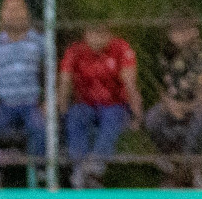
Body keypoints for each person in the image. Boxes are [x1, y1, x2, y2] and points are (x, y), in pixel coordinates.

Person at [144, 17, 202, 188]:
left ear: (194, 31)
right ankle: (172, 164)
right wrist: (171, 105)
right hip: (173, 105)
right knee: (152, 119)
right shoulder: (166, 55)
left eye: (183, 31)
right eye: (174, 32)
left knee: (200, 120)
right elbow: (160, 85)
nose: (178, 36)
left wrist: (189, 106)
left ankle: (188, 171)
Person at [0, 0, 45, 188]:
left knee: (42, 126)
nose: (13, 14)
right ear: (1, 15)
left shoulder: (41, 42)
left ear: (27, 14)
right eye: (8, 9)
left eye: (18, 9)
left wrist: (47, 103)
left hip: (32, 104)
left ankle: (42, 174)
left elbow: (52, 74)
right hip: (5, 106)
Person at [59, 22, 143, 189]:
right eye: (93, 33)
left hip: (114, 103)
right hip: (86, 103)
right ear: (85, 34)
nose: (98, 38)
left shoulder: (121, 49)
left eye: (103, 34)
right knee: (75, 115)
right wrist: (61, 110)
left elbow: (130, 83)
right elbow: (65, 81)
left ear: (110, 34)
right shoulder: (75, 51)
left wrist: (137, 115)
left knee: (113, 117)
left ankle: (96, 165)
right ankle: (80, 166)